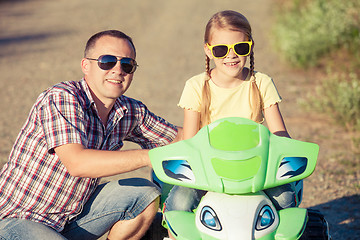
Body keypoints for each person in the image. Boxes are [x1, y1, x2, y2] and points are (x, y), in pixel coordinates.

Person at [0, 30, 182, 240]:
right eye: (107, 61)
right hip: (17, 219)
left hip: (70, 219)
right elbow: (78, 163)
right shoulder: (62, 98)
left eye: (127, 64)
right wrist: (150, 157)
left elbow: (182, 137)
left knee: (145, 195)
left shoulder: (129, 111)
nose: (118, 70)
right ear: (86, 65)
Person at [163, 10, 301, 239]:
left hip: (254, 166)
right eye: (221, 50)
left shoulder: (261, 83)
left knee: (285, 199)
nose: (231, 56)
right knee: (179, 201)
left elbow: (279, 132)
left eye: (240, 48)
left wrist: (284, 151)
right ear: (208, 50)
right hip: (209, 167)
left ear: (250, 46)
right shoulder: (197, 86)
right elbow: (189, 140)